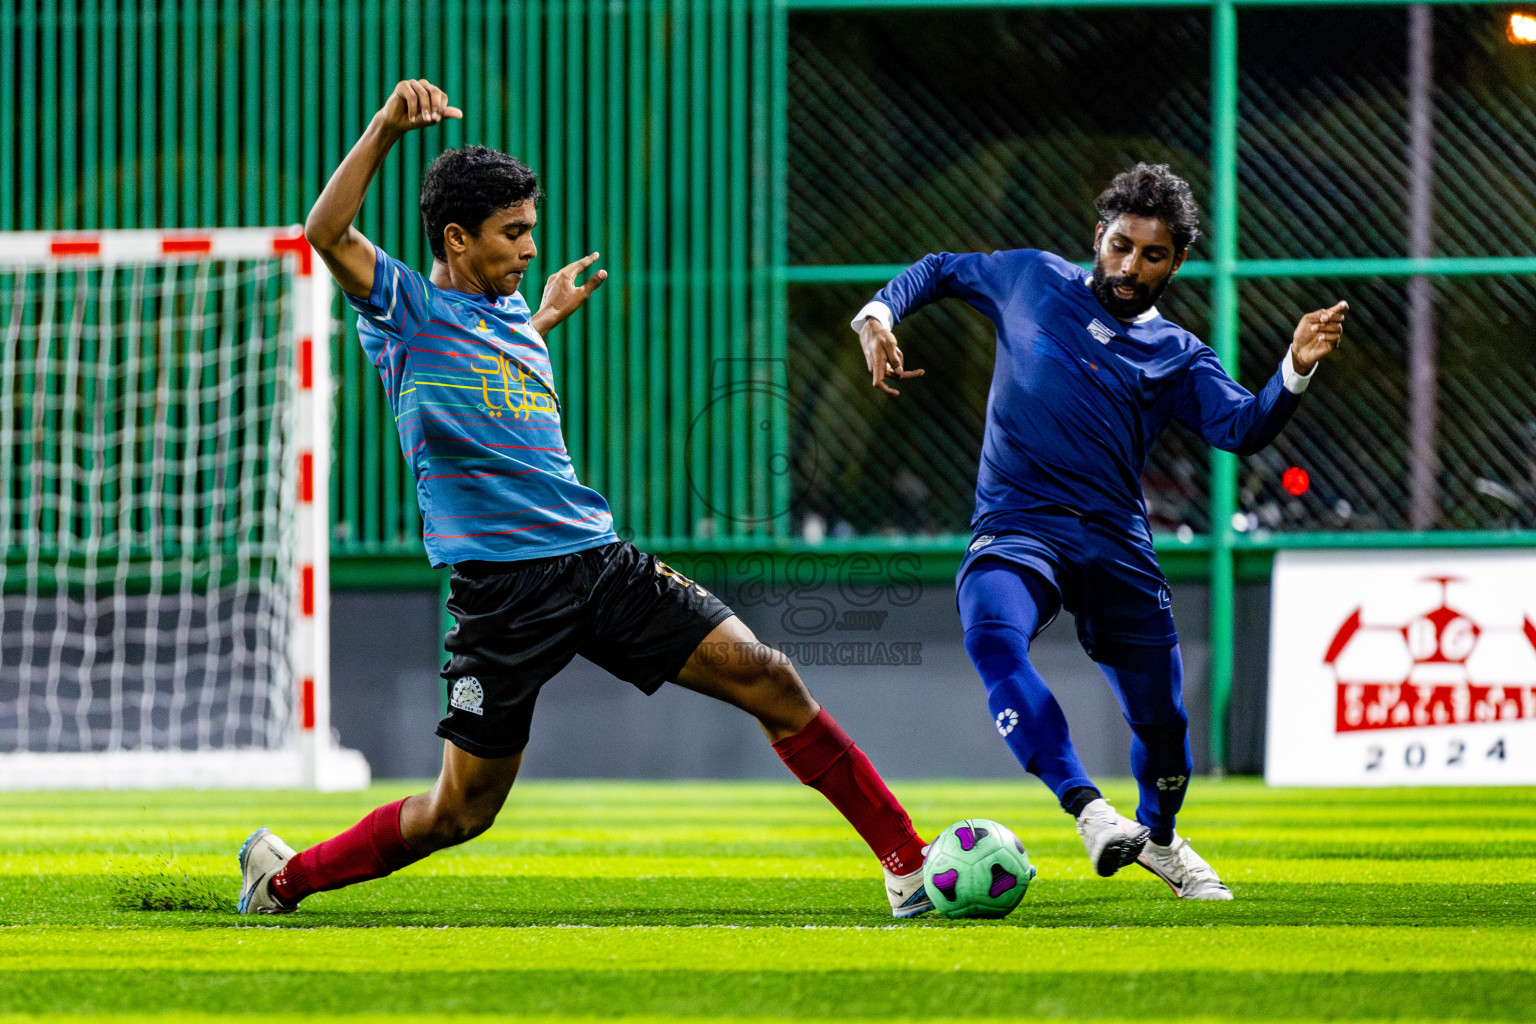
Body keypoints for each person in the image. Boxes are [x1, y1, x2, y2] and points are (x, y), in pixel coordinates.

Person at [238, 79, 932, 918]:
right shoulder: (405, 311)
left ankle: (908, 863)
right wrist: (387, 125)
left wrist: (543, 321)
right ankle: (283, 879)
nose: (530, 248)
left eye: (531, 229)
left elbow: (487, 379)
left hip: (601, 564)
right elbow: (325, 232)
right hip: (501, 596)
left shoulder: (513, 311)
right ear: (456, 238)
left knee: (771, 680)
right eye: (513, 232)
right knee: (461, 812)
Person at [851, 163, 1346, 900]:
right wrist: (880, 314)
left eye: (1151, 256)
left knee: (1166, 729)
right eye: (1120, 246)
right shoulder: (1030, 280)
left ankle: (1165, 839)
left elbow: (1242, 427)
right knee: (991, 632)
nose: (1129, 267)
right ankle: (1087, 810)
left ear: (1177, 262)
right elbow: (939, 271)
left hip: (1115, 545)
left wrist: (1295, 369)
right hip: (1018, 525)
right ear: (1098, 237)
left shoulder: (1179, 356)